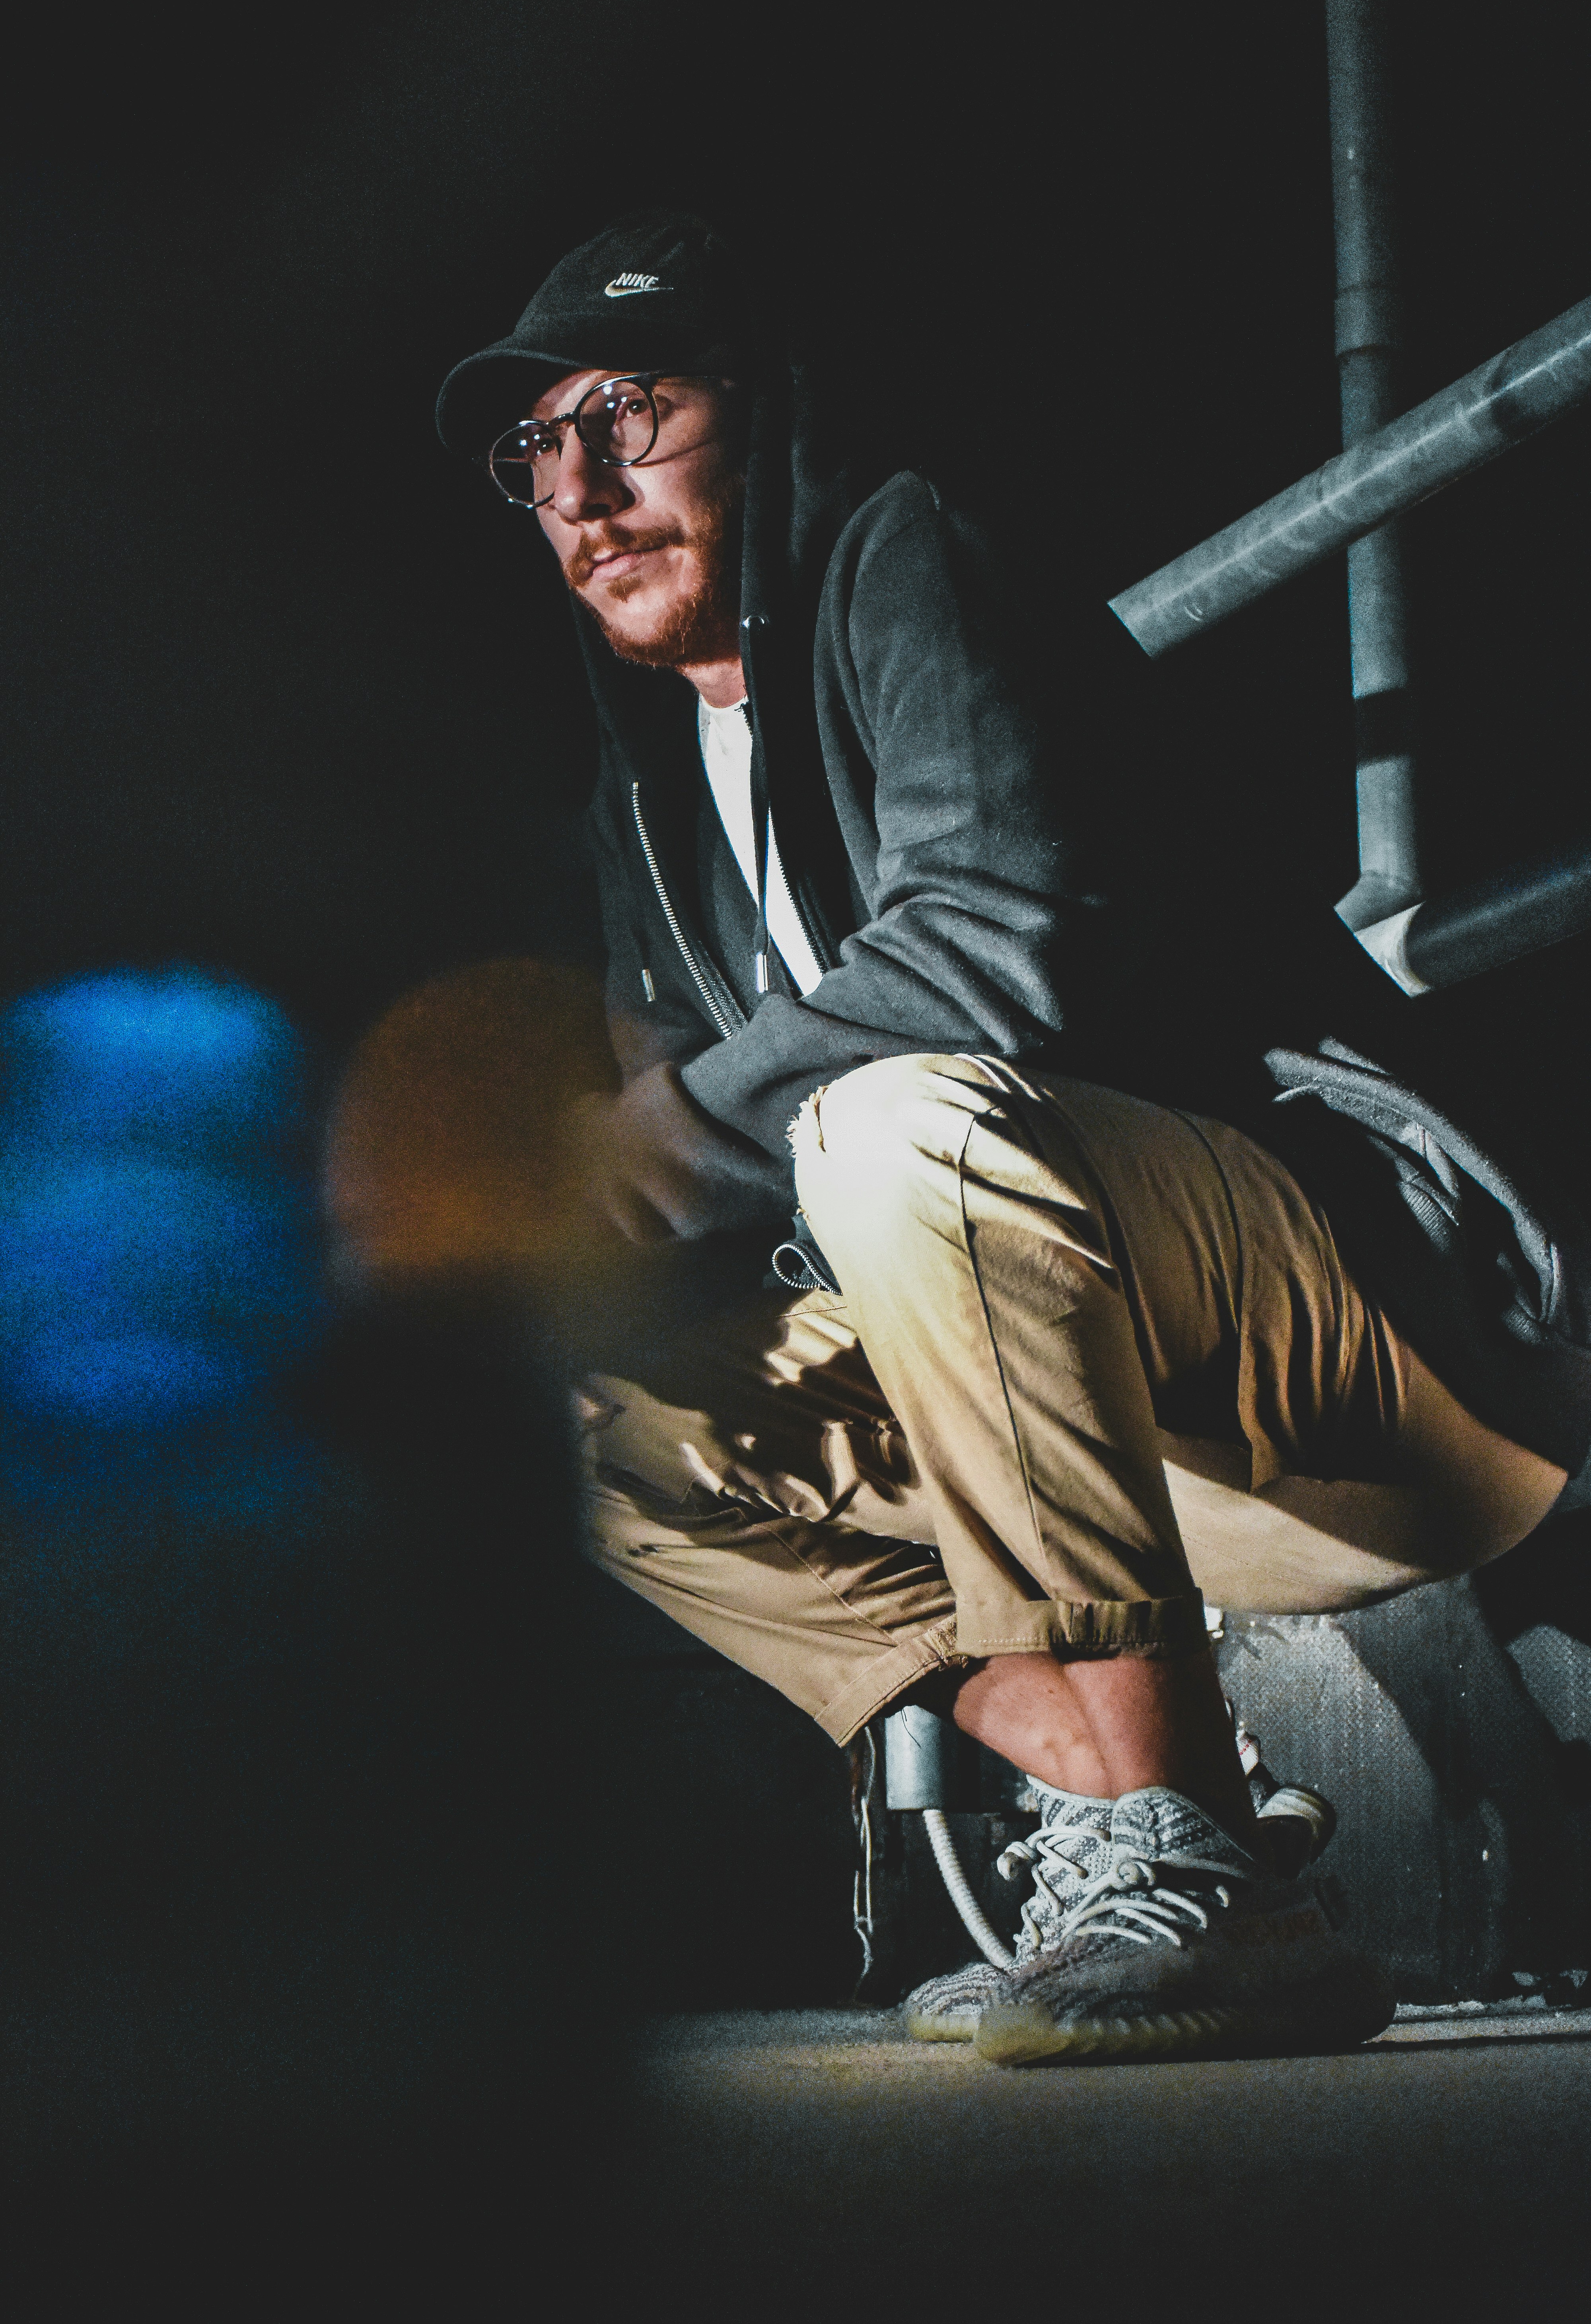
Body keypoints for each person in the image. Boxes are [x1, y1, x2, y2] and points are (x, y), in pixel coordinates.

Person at [435, 211, 1586, 2063]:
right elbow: (671, 1183)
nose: (579, 486)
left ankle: (1177, 1855)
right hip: (1113, 1449)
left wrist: (645, 1146)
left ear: (764, 414)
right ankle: (1165, 1806)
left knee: (894, 1131)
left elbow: (988, 944)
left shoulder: (900, 555)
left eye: (629, 411)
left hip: (1346, 1335)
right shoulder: (638, 795)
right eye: (536, 453)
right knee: (570, 1408)